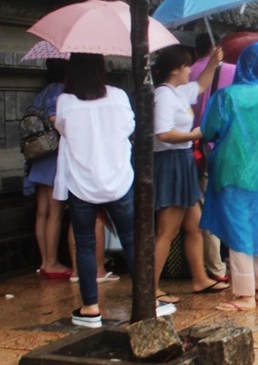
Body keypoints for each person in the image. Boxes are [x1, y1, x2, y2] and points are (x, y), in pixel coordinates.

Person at [54, 53, 175, 327]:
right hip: (118, 179)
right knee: (133, 240)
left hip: (81, 182)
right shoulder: (118, 96)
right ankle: (149, 302)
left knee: (85, 244)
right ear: (101, 69)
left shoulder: (65, 102)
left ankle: (90, 308)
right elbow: (130, 127)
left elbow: (63, 130)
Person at [200, 41, 258, 311]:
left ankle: (245, 295)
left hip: (232, 171)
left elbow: (209, 129)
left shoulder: (227, 96)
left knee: (239, 230)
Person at [152, 45, 230, 303]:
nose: (189, 71)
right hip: (170, 161)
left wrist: (213, 63)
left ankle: (199, 278)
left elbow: (201, 85)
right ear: (175, 69)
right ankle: (149, 287)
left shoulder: (177, 92)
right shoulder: (163, 96)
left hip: (183, 161)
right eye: (186, 66)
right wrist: (195, 134)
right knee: (168, 230)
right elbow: (163, 133)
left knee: (195, 226)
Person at [190, 33, 234, 283]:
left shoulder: (187, 74)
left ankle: (216, 267)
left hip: (195, 149)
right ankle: (228, 262)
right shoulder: (234, 72)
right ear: (218, 49)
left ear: (197, 52)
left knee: (205, 207)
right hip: (229, 148)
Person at [23, 59, 71, 279]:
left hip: (38, 156)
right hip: (53, 155)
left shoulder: (41, 93)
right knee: (55, 212)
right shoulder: (60, 91)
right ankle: (51, 262)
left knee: (42, 211)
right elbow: (55, 120)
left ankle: (44, 261)